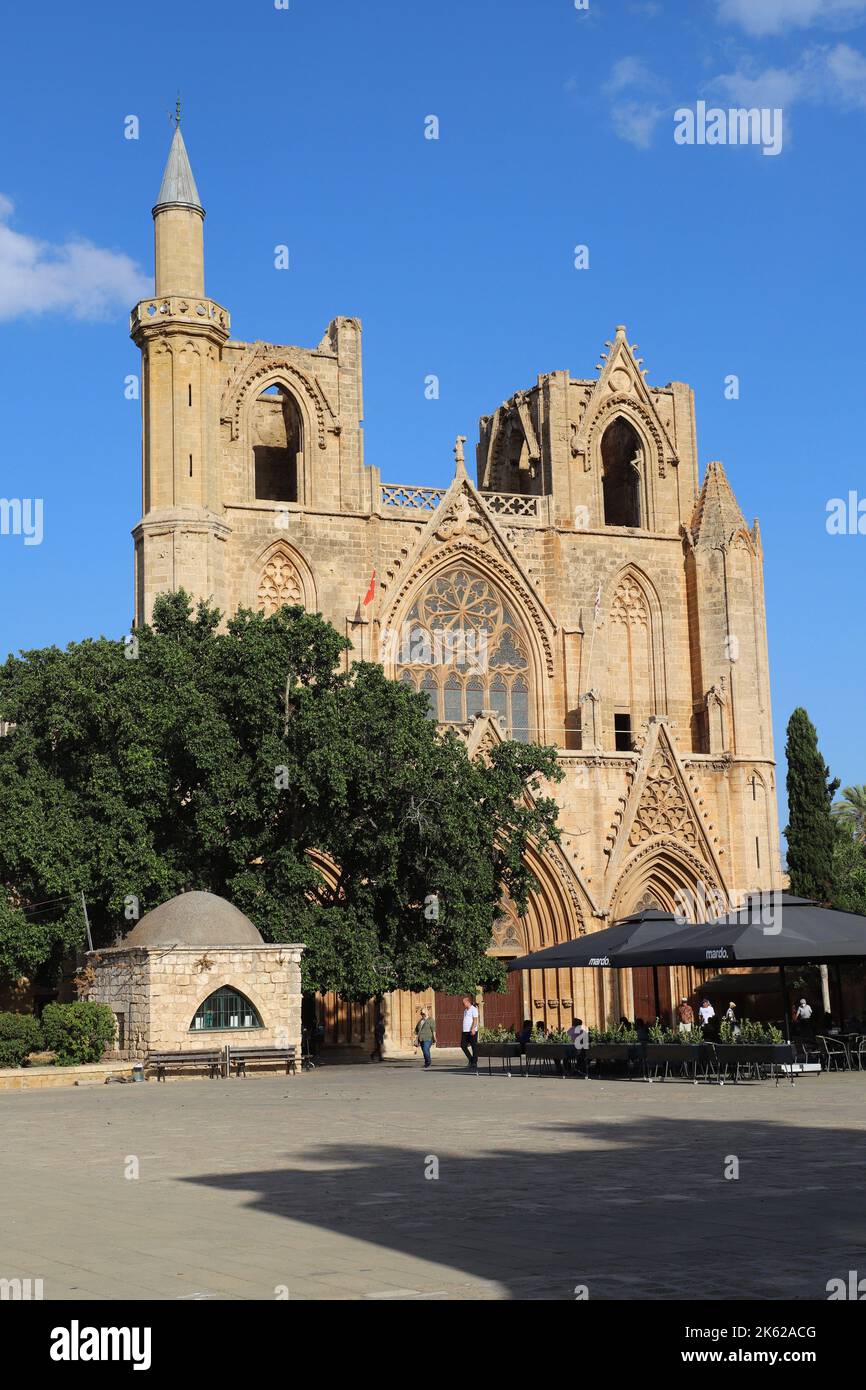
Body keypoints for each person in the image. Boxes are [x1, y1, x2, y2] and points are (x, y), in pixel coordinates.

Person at [460, 994, 479, 1069]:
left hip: (472, 1030)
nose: (463, 1004)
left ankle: (474, 1062)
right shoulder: (465, 1010)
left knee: (474, 1046)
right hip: (465, 1031)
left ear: (468, 1002)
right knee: (463, 1045)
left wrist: (473, 1028)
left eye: (463, 1003)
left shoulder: (473, 1009)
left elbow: (475, 1019)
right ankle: (471, 1059)